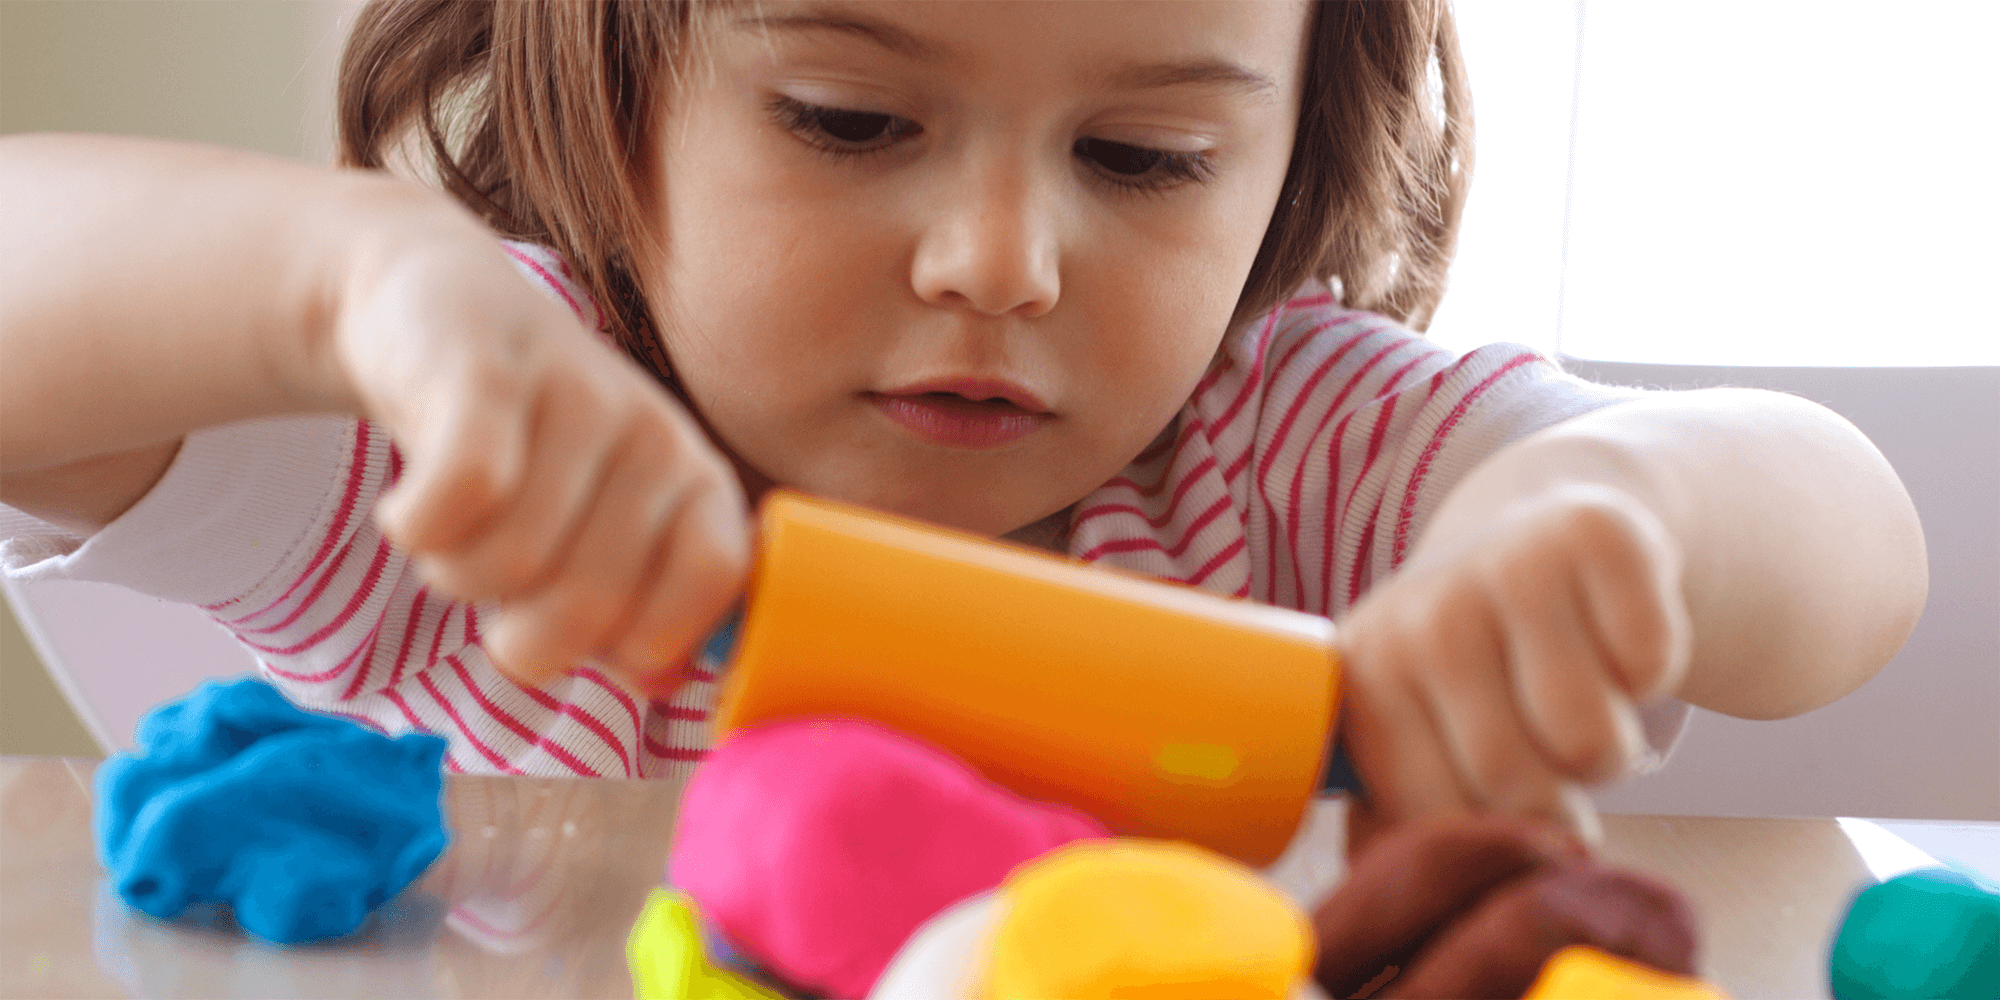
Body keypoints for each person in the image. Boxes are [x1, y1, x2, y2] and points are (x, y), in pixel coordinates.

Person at [0, 0, 1925, 843]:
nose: (1003, 259)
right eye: (851, 120)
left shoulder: (1288, 455)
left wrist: (1612, 516)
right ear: (612, 85)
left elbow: (1851, 543)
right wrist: (348, 285)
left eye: (1144, 154)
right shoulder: (487, 444)